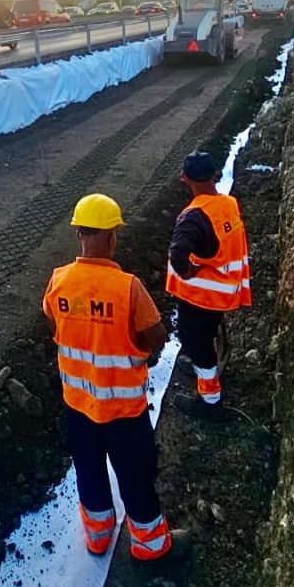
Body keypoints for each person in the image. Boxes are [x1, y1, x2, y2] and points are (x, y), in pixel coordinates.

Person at [43, 194, 189, 563]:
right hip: (123, 410)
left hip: (78, 406)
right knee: (136, 476)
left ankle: (97, 536)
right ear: (111, 238)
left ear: (79, 233)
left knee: (89, 474)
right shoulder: (127, 287)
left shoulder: (58, 281)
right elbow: (156, 337)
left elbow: (54, 324)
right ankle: (151, 545)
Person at [166, 152, 252, 419]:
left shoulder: (193, 216)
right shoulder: (227, 204)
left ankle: (209, 399)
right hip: (221, 292)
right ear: (215, 175)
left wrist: (187, 271)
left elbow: (178, 253)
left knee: (198, 344)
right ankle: (203, 365)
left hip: (199, 296)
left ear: (185, 179)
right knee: (204, 336)